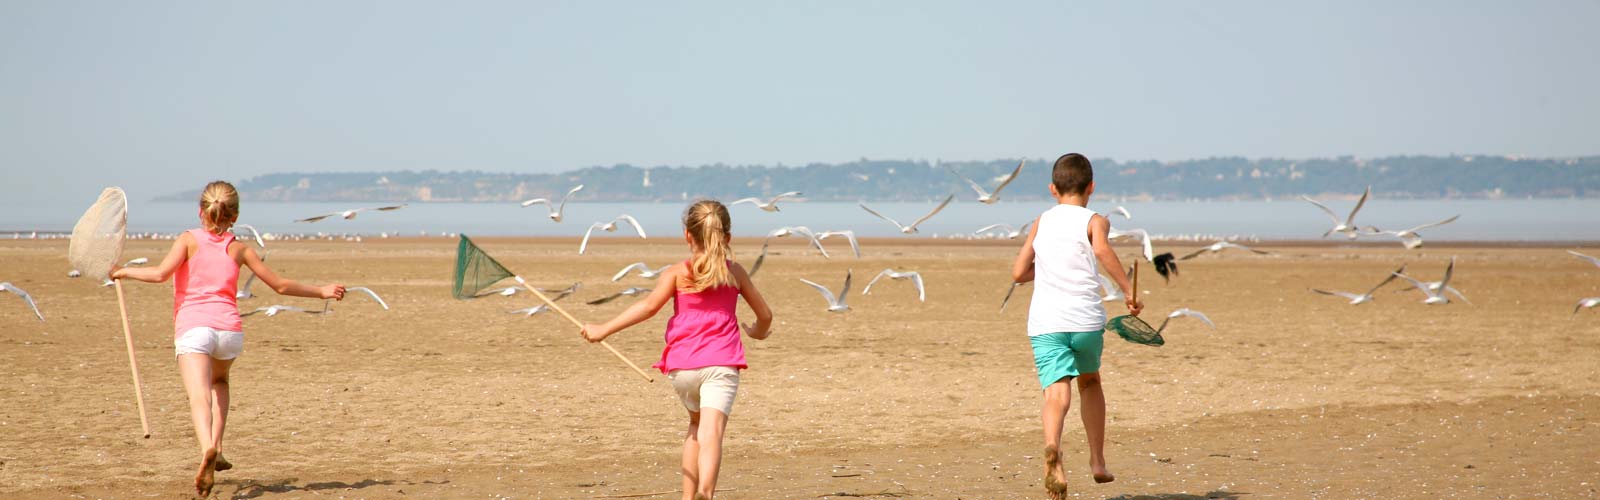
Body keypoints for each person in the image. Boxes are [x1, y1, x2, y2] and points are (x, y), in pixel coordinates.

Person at [112, 181, 345, 496]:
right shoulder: (240, 248)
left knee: (199, 397)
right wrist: (322, 291)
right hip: (229, 331)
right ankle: (217, 449)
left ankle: (207, 447)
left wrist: (123, 272)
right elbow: (280, 286)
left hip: (194, 328)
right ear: (234, 217)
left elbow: (160, 274)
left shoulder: (187, 239)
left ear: (200, 211)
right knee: (219, 384)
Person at [582, 199, 774, 500]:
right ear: (727, 238)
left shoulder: (676, 273)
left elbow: (647, 307)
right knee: (712, 432)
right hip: (720, 364)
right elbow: (765, 316)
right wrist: (757, 333)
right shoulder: (734, 272)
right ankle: (706, 493)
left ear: (687, 235)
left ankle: (688, 497)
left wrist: (602, 329)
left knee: (695, 426)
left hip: (682, 367)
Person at [1010, 153, 1142, 500]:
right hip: (1084, 320)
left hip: (1047, 322)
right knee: (1090, 382)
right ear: (1092, 187)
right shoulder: (1095, 220)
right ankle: (1097, 461)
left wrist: (1051, 267)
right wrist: (1128, 290)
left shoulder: (1041, 221)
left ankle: (1053, 450)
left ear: (1052, 189)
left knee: (1056, 390)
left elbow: (1019, 272)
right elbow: (1101, 251)